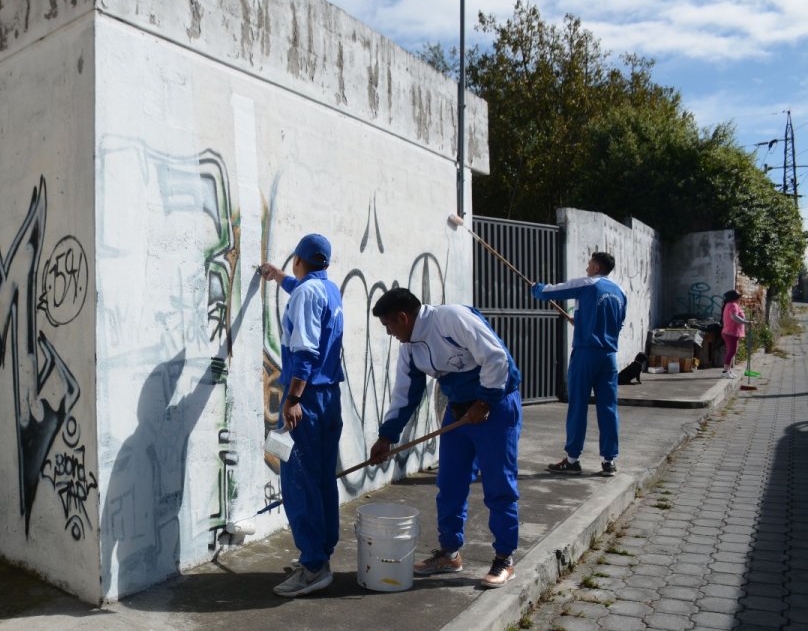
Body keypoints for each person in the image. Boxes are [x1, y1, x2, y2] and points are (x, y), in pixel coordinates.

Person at [369, 288, 523, 589]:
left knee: (499, 485)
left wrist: (486, 401)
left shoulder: (452, 318)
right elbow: (405, 396)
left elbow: (497, 358)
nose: (390, 333)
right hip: (459, 413)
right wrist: (386, 437)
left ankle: (505, 557)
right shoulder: (410, 347)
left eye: (389, 325)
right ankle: (449, 553)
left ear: (403, 317)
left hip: (496, 407)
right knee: (450, 483)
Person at [258, 233, 345, 597]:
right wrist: (279, 278)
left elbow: (306, 352)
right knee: (321, 477)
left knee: (298, 479)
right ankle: (320, 555)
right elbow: (302, 289)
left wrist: (292, 399)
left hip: (304, 399)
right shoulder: (327, 290)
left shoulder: (308, 294)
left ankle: (312, 567)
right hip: (327, 397)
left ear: (299, 258)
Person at [531, 251, 627, 477]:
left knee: (578, 406)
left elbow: (549, 292)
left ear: (596, 267)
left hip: (586, 354)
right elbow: (617, 323)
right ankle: (608, 461)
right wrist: (583, 322)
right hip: (609, 357)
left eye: (589, 263)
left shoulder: (588, 284)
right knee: (608, 407)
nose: (586, 267)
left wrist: (537, 287)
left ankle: (573, 459)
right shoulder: (620, 291)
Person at [720, 290, 749, 378]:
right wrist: (746, 322)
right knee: (731, 352)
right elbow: (734, 317)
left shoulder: (729, 305)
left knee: (731, 352)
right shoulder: (733, 305)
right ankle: (725, 371)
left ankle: (728, 370)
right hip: (731, 332)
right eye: (738, 297)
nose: (739, 299)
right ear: (734, 298)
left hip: (730, 332)